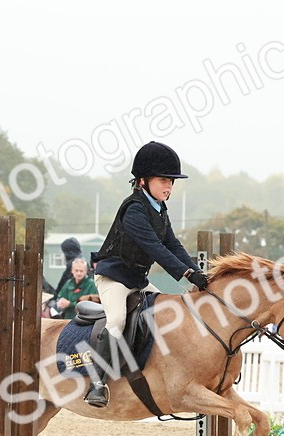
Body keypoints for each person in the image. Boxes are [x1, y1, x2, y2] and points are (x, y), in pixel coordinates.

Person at [86, 141, 209, 408]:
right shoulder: (134, 209)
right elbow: (154, 247)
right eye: (164, 180)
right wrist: (186, 272)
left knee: (169, 310)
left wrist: (197, 274)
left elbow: (172, 244)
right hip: (114, 278)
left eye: (171, 182)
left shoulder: (159, 209)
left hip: (137, 281)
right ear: (143, 180)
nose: (169, 186)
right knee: (117, 321)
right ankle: (97, 383)